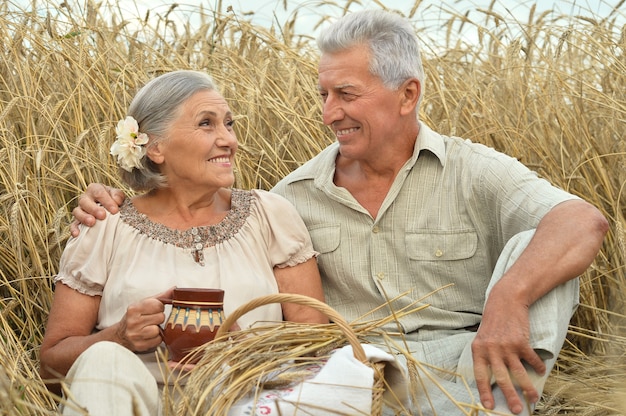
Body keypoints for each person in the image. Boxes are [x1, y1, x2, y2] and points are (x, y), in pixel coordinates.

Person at [70, 10, 609, 416]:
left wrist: (507, 299)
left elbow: (582, 219)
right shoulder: (290, 198)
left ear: (407, 94)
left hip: (466, 364)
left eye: (345, 94)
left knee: (539, 250)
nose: (329, 113)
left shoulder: (473, 171)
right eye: (324, 94)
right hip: (349, 379)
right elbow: (206, 215)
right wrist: (121, 201)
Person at [39, 70, 328, 416]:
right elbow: (51, 368)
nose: (229, 140)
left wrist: (246, 351)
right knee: (104, 359)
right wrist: (117, 337)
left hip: (243, 401)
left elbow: (316, 346)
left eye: (229, 124)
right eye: (207, 124)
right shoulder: (105, 225)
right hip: (129, 406)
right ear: (156, 147)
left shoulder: (270, 216)